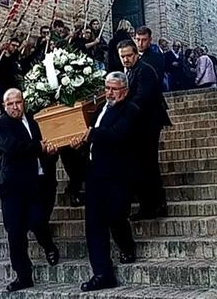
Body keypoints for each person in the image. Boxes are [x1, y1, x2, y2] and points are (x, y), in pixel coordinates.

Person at [70, 72, 139, 291]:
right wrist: (80, 142)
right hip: (95, 173)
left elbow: (118, 134)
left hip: (118, 174)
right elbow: (91, 137)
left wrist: (91, 134)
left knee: (117, 216)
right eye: (107, 88)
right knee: (94, 224)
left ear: (125, 91)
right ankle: (102, 273)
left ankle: (127, 247)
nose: (109, 93)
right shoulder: (100, 109)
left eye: (114, 89)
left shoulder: (131, 109)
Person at [0, 89, 59, 292]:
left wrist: (50, 151)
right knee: (15, 232)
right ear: (4, 106)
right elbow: (12, 147)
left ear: (24, 102)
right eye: (10, 104)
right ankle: (23, 276)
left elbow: (47, 147)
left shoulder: (35, 121)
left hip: (37, 182)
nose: (15, 107)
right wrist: (39, 147)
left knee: (38, 221)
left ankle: (48, 245)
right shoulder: (1, 124)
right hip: (13, 186)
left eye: (18, 102)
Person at [117, 39, 172, 220]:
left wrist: (123, 112)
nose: (125, 59)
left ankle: (156, 205)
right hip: (138, 125)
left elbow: (142, 97)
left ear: (136, 54)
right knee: (141, 165)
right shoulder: (130, 72)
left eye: (128, 55)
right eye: (122, 56)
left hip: (148, 124)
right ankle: (148, 205)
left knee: (148, 164)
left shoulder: (145, 70)